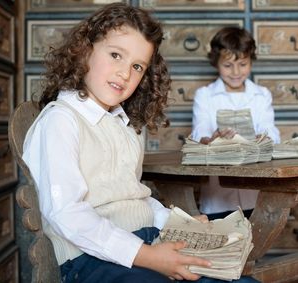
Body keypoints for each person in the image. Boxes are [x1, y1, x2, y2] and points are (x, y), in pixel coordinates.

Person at [22, 4, 259, 283]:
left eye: (137, 66)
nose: (124, 73)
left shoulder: (125, 125)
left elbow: (136, 198)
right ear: (84, 51)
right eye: (115, 55)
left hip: (146, 240)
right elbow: (68, 214)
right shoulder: (61, 121)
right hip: (88, 260)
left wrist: (179, 224)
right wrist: (148, 256)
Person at [191, 26, 280, 220]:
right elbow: (199, 134)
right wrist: (212, 138)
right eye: (228, 65)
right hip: (217, 198)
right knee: (221, 246)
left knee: (254, 247)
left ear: (251, 62)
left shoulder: (262, 95)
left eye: (242, 64)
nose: (236, 72)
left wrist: (261, 138)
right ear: (216, 63)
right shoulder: (204, 95)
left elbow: (271, 133)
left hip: (255, 196)